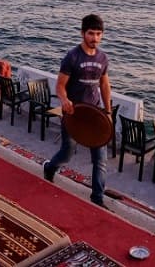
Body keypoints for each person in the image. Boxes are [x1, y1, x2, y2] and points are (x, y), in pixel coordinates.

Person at [43, 14, 112, 208]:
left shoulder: (103, 58)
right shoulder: (72, 57)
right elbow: (60, 85)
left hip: (94, 115)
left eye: (99, 34)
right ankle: (50, 167)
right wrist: (64, 100)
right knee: (67, 153)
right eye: (91, 33)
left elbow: (105, 85)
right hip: (74, 115)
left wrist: (108, 112)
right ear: (83, 33)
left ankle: (97, 198)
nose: (95, 38)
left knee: (100, 159)